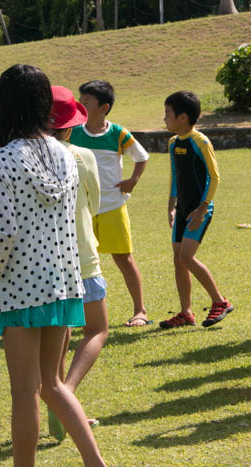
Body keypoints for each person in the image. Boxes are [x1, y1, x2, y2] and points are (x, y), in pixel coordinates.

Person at [0, 65, 105, 467]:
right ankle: (96, 463)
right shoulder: (66, 156)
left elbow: (5, 234)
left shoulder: (0, 162)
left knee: (24, 392)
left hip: (20, 287)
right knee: (51, 383)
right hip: (64, 282)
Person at [48, 86, 108, 441]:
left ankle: (56, 395)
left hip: (47, 263)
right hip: (82, 257)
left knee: (62, 330)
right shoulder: (83, 156)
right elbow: (95, 203)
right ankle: (65, 394)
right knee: (97, 330)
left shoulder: (29, 157)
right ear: (71, 126)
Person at [70, 80, 151, 327]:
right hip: (81, 208)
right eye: (80, 102)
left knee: (123, 259)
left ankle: (140, 311)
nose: (81, 107)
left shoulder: (118, 133)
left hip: (112, 205)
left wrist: (133, 180)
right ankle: (74, 315)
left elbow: (142, 156)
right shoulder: (73, 131)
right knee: (74, 260)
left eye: (86, 103)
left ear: (104, 108)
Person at [159, 91, 233, 329]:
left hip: (199, 209)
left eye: (168, 114)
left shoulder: (200, 141)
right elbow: (175, 176)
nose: (164, 119)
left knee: (186, 257)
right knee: (178, 260)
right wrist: (171, 205)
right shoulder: (173, 143)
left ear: (182, 117)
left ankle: (220, 301)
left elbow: (215, 177)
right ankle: (186, 313)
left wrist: (202, 209)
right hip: (182, 210)